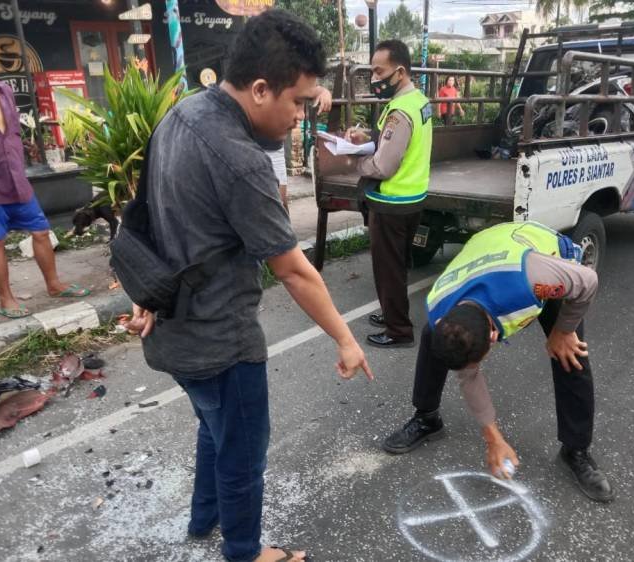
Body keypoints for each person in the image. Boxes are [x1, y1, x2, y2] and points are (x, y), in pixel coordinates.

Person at [124, 11, 373, 562]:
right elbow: (292, 269)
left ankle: (203, 518)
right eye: (299, 103)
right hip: (221, 344)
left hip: (174, 335)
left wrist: (143, 296)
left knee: (214, 430)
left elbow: (149, 220)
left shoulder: (181, 115)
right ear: (261, 89)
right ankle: (245, 552)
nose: (301, 117)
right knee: (242, 452)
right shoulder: (241, 160)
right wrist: (345, 339)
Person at [382, 221, 615, 503]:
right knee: (435, 338)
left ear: (494, 335)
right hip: (485, 254)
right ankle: (427, 418)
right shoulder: (438, 305)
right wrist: (493, 438)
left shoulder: (532, 281)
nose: (473, 368)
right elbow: (468, 376)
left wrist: (563, 331)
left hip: (542, 260)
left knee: (571, 355)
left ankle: (576, 451)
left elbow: (588, 281)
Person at [0, 40, 90, 318]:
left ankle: (54, 285)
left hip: (17, 178)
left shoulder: (3, 90)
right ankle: (7, 299)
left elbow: (14, 130)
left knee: (41, 231)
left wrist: (20, 153)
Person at [346, 40, 433, 349]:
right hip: (413, 197)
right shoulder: (419, 101)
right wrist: (367, 138)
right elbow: (396, 145)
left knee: (389, 269)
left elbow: (383, 165)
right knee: (398, 264)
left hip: (392, 202)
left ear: (399, 71)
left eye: (378, 71)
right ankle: (393, 314)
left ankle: (399, 330)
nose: (374, 78)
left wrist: (355, 158)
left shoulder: (399, 111)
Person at [264, 86, 331, 213]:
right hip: (250, 144)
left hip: (274, 147)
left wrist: (323, 92)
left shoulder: (284, 76)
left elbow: (305, 88)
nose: (302, 115)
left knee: (280, 203)